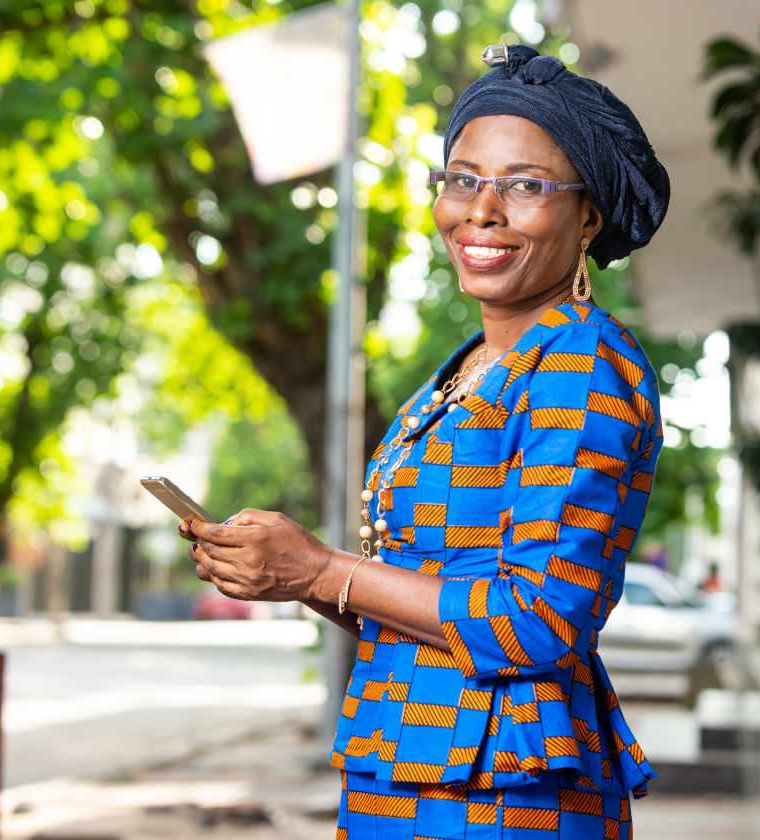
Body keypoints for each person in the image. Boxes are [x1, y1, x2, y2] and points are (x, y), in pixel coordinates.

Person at [182, 43, 670, 839]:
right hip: (406, 766)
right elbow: (419, 596)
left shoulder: (580, 364)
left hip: (502, 795)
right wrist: (294, 578)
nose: (482, 209)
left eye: (526, 185)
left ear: (589, 216)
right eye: (463, 178)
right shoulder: (467, 368)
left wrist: (322, 566)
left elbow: (538, 619)